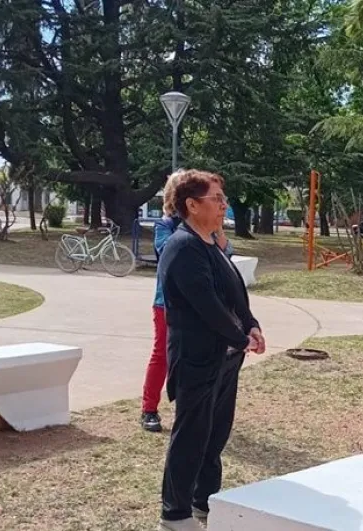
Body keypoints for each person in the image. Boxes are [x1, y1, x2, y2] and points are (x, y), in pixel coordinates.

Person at [156, 170, 265, 531]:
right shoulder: (183, 246)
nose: (224, 205)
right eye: (216, 199)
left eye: (223, 198)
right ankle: (175, 512)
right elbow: (207, 305)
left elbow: (234, 292)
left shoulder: (210, 244)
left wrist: (251, 324)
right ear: (191, 204)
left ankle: (205, 501)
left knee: (215, 435)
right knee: (191, 435)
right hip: (197, 358)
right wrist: (239, 337)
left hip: (225, 358)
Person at [140, 172, 235, 433]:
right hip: (168, 303)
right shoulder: (167, 226)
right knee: (163, 354)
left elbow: (226, 255)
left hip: (203, 303)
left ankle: (194, 406)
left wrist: (218, 236)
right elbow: (167, 251)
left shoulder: (209, 227)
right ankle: (149, 408)